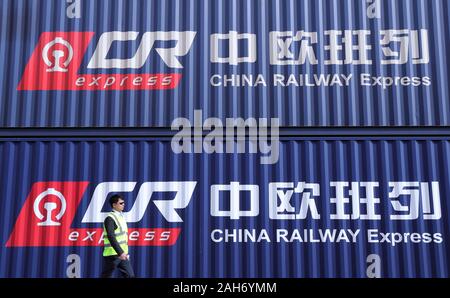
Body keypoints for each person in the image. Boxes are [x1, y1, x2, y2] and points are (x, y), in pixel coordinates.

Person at [101, 194, 135, 278]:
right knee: (106, 276)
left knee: (130, 275)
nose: (123, 204)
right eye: (121, 203)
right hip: (112, 254)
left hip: (122, 254)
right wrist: (120, 252)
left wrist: (123, 253)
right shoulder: (110, 218)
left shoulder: (121, 217)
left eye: (123, 203)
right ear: (114, 205)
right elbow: (111, 236)